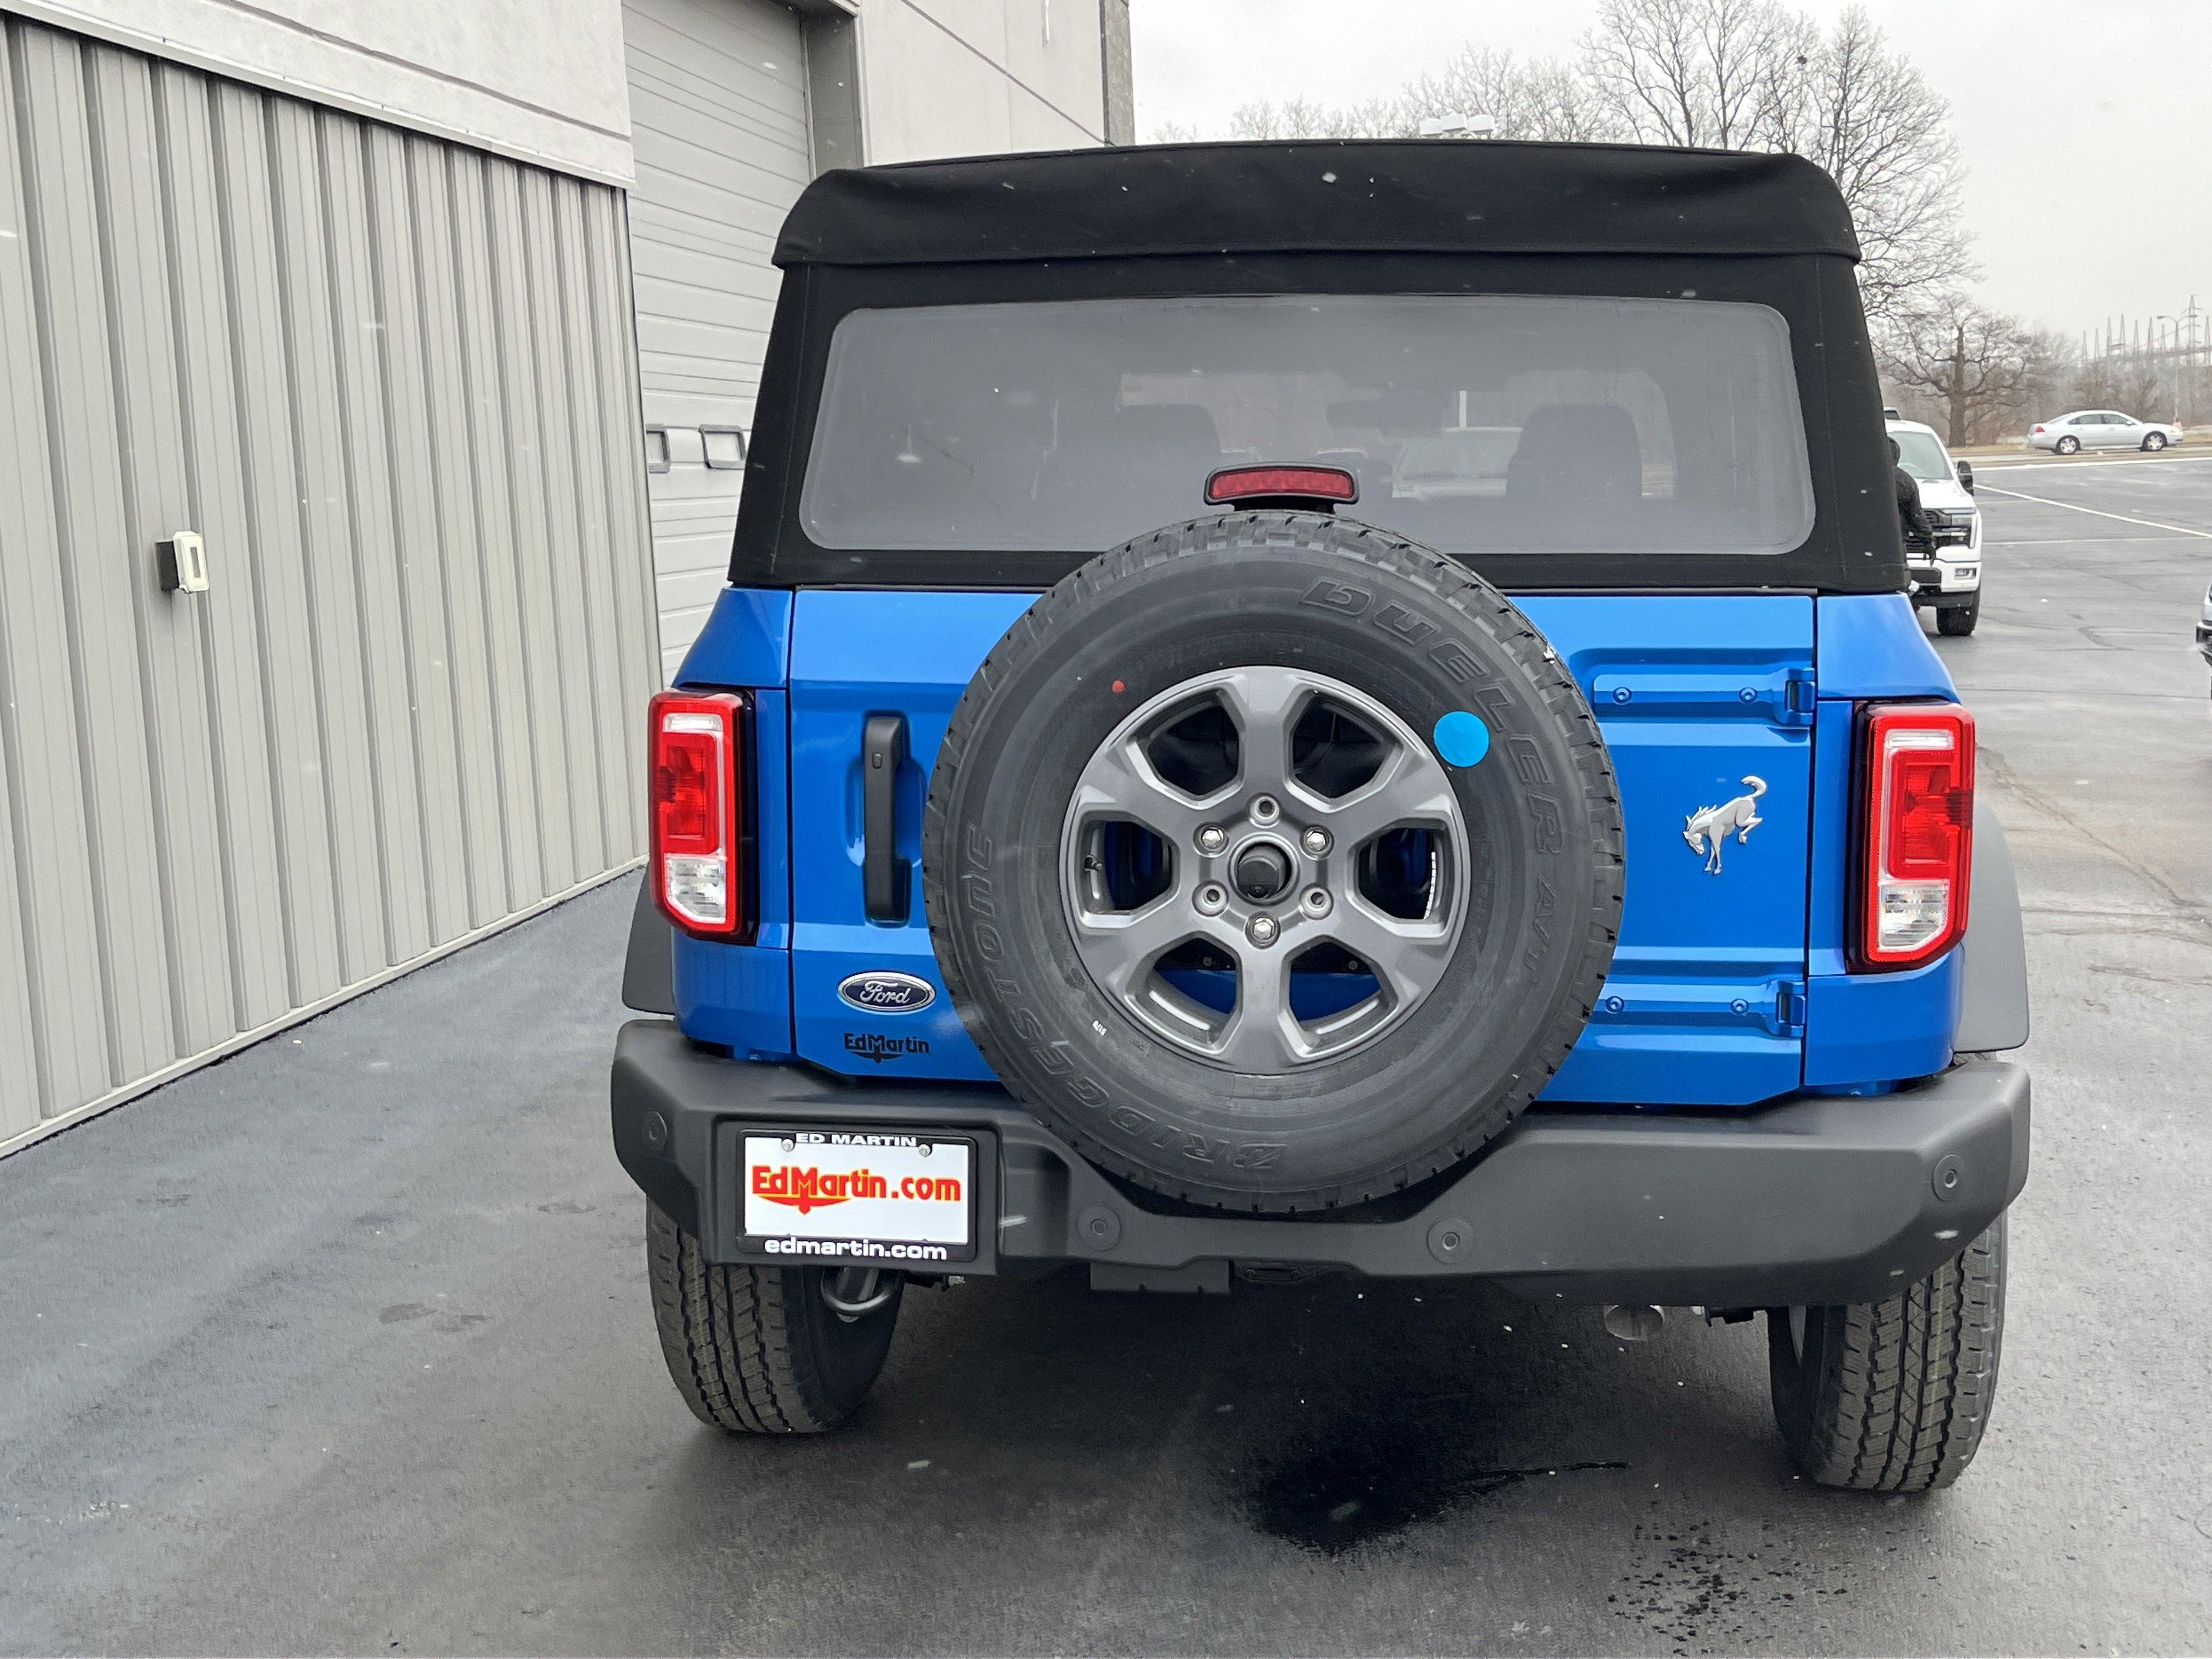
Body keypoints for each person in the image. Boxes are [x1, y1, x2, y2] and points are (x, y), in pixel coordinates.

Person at [1893, 436, 1936, 557]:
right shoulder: (1905, 480)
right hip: (1895, 543)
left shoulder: (1861, 476)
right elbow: (1916, 515)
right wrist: (1928, 541)